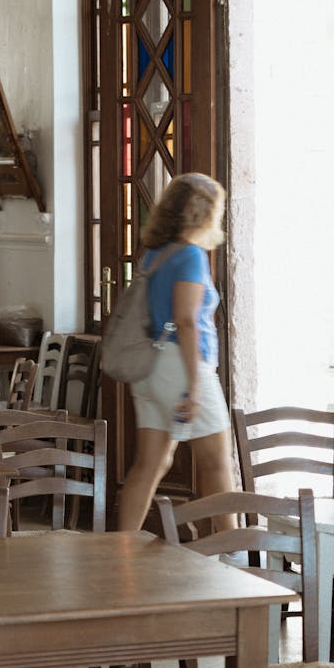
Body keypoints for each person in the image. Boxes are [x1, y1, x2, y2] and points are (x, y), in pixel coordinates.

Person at [117, 172, 236, 532]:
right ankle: (235, 555)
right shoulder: (190, 256)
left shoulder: (155, 254)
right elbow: (185, 320)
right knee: (217, 463)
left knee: (150, 464)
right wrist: (195, 386)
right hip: (181, 366)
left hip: (150, 367)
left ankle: (118, 551)